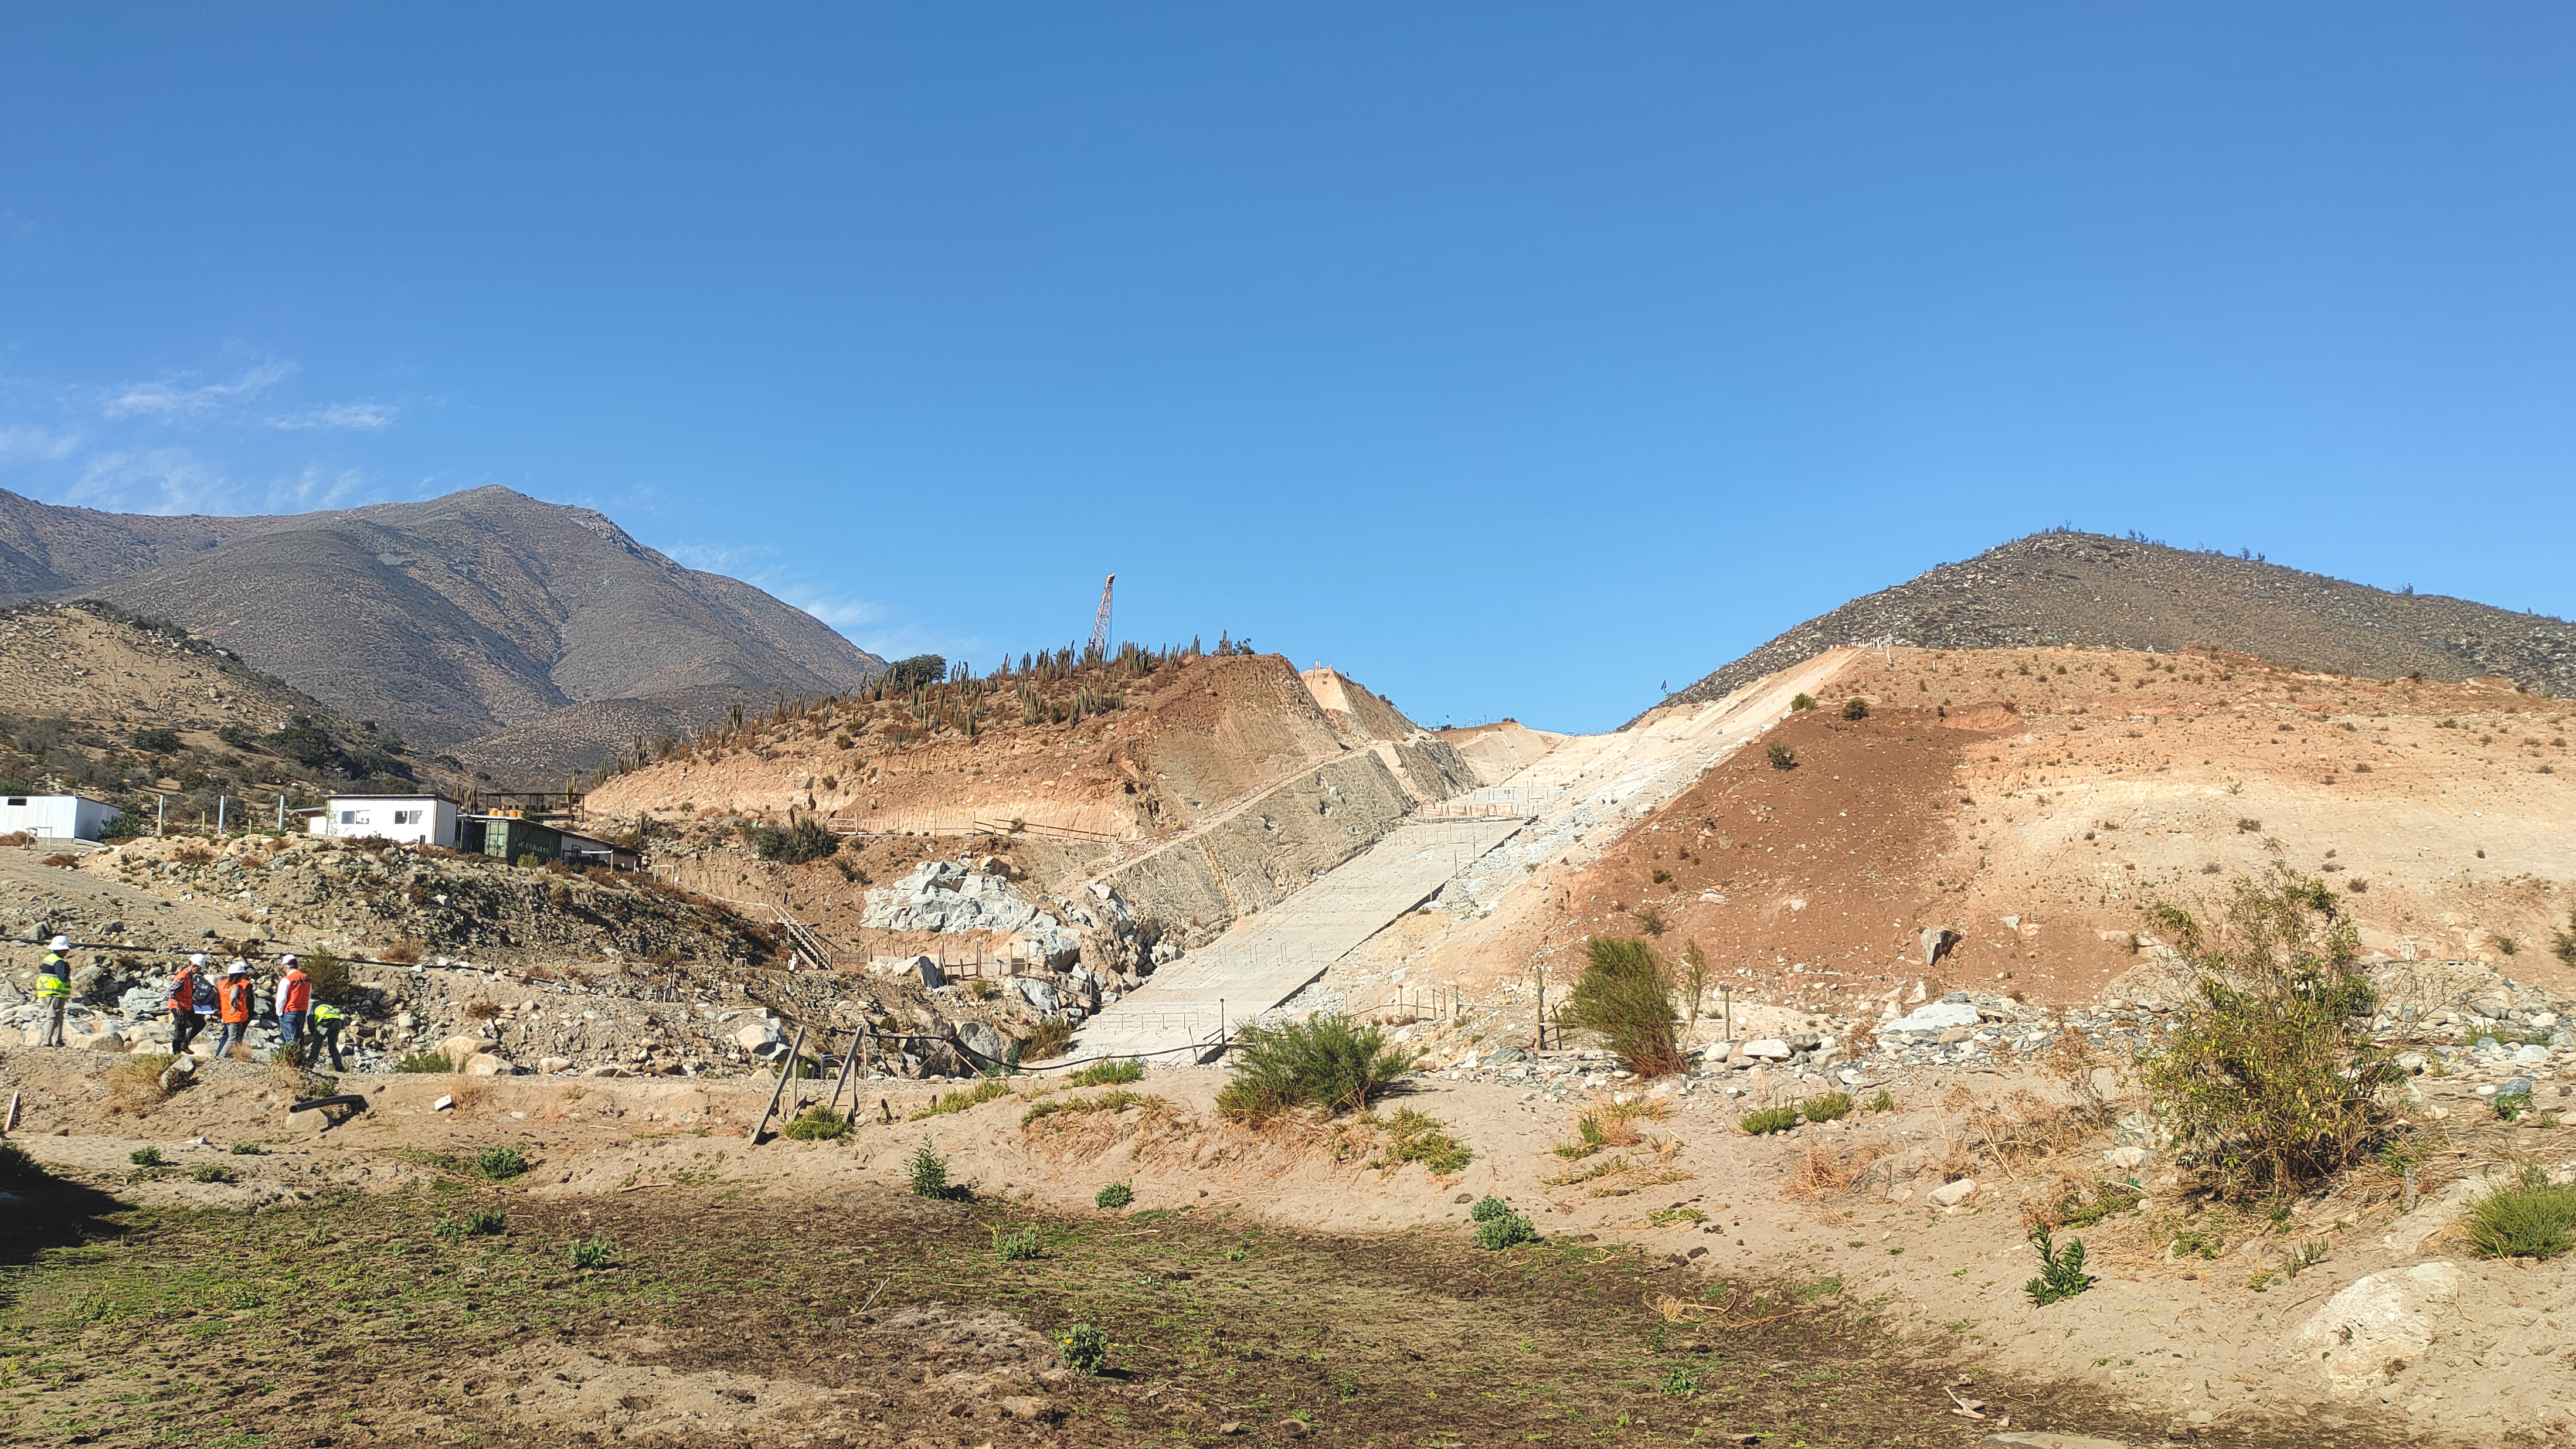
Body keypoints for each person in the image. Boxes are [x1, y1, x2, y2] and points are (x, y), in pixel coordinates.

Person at [166, 953, 208, 1055]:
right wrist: (177, 1005)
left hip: (187, 1005)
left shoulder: (190, 977)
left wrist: (194, 1002)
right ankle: (176, 1053)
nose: (199, 971)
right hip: (179, 1007)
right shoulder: (183, 976)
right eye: (199, 969)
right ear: (194, 966)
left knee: (200, 1023)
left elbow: (186, 992)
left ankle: (184, 1043)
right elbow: (170, 991)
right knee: (180, 1030)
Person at [34, 935, 72, 1047]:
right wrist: (67, 969)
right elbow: (63, 977)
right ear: (61, 949)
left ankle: (58, 1041)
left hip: (45, 992)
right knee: (53, 1017)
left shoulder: (49, 958)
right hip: (55, 993)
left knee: (57, 1017)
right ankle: (48, 1042)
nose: (68, 951)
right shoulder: (59, 962)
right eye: (66, 949)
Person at [213, 961, 254, 1059]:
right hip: (236, 1016)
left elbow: (218, 999)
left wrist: (221, 1011)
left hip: (226, 1014)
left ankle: (221, 1054)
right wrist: (236, 1007)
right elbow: (247, 1001)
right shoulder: (238, 986)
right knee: (235, 1037)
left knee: (226, 1036)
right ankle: (222, 1057)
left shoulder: (222, 984)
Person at [274, 955, 311, 1052]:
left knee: (290, 1039)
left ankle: (292, 1061)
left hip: (290, 1012)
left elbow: (281, 999)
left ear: (285, 967)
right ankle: (300, 1058)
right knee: (299, 1037)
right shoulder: (306, 978)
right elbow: (309, 995)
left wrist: (279, 1012)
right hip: (302, 1011)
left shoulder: (287, 980)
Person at [310, 999, 348, 1070]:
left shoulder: (310, 1006)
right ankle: (339, 1067)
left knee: (316, 1044)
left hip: (326, 1021)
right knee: (333, 1045)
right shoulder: (325, 1004)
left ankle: (310, 1064)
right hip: (338, 1021)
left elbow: (310, 1022)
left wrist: (314, 1034)